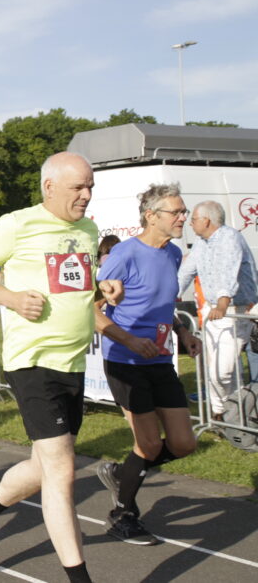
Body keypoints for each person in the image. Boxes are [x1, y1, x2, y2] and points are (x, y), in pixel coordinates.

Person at [0, 152, 114, 583]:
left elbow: (76, 285)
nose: (86, 196)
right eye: (78, 188)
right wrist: (10, 298)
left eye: (90, 187)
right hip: (33, 362)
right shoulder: (16, 224)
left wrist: (105, 290)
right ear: (49, 187)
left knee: (43, 467)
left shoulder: (88, 229)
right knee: (62, 472)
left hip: (73, 361)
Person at [94, 183, 201, 545]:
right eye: (177, 212)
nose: (183, 218)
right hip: (125, 360)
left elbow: (163, 304)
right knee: (150, 444)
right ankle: (122, 514)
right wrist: (130, 340)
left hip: (160, 359)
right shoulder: (123, 254)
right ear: (151, 216)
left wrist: (183, 333)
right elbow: (91, 311)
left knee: (185, 443)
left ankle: (124, 473)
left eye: (184, 211)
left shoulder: (172, 254)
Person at [178, 200, 258, 421]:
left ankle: (226, 411)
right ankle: (224, 416)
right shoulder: (202, 243)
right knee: (215, 368)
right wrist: (167, 296)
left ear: (206, 220)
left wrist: (223, 302)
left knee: (222, 371)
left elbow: (228, 271)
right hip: (212, 310)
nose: (190, 223)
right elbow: (185, 272)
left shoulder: (229, 238)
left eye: (193, 219)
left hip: (234, 310)